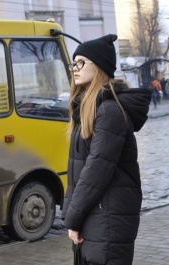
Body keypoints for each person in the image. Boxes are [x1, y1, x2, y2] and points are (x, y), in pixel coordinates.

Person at [62, 34, 151, 265]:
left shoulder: (109, 112)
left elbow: (95, 171)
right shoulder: (87, 110)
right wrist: (72, 215)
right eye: (73, 63)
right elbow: (80, 172)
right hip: (97, 216)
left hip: (108, 219)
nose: (75, 68)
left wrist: (72, 218)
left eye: (81, 62)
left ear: (100, 66)